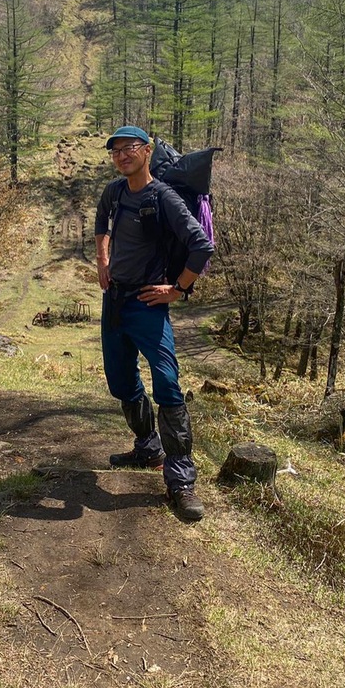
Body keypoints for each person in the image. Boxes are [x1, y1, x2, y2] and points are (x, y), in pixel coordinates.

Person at [95, 125, 214, 521]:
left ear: (146, 151)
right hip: (115, 301)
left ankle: (180, 481)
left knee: (167, 383)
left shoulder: (162, 197)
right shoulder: (113, 192)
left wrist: (177, 290)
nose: (121, 155)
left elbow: (201, 245)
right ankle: (147, 446)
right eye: (115, 151)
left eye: (129, 148)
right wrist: (103, 259)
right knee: (120, 381)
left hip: (148, 304)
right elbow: (100, 222)